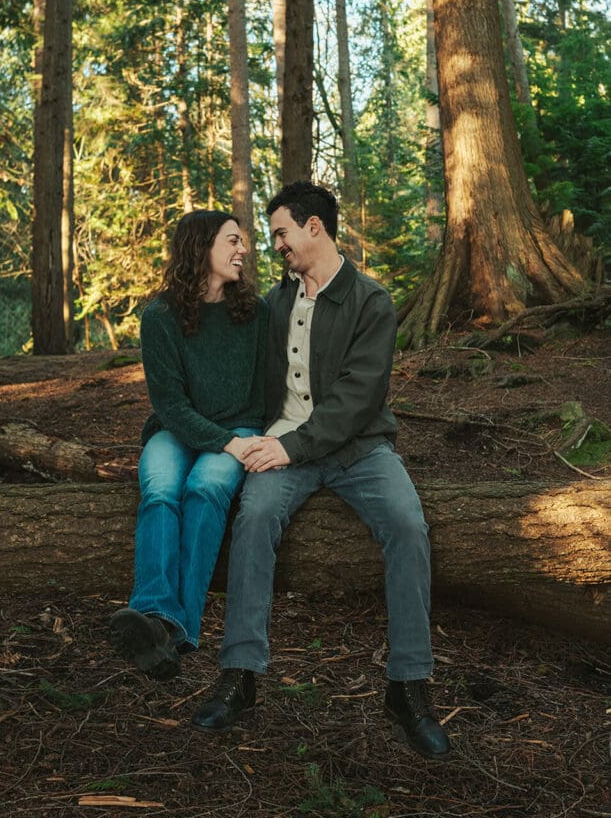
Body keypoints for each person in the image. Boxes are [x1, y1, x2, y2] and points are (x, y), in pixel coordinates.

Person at [192, 181, 450, 760]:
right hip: (283, 443)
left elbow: (359, 398)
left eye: (282, 232)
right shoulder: (275, 303)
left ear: (314, 227)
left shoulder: (370, 300)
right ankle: (239, 676)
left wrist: (292, 447)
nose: (275, 245)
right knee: (254, 517)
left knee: (408, 525)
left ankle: (409, 687)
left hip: (359, 450)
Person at [110, 210, 268, 680]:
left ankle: (174, 630)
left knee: (205, 488)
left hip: (240, 427)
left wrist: (239, 441)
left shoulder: (255, 313)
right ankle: (155, 612)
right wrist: (223, 441)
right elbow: (171, 405)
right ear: (201, 247)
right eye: (233, 241)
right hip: (175, 429)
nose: (243, 250)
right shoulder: (159, 316)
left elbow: (264, 393)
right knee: (160, 489)